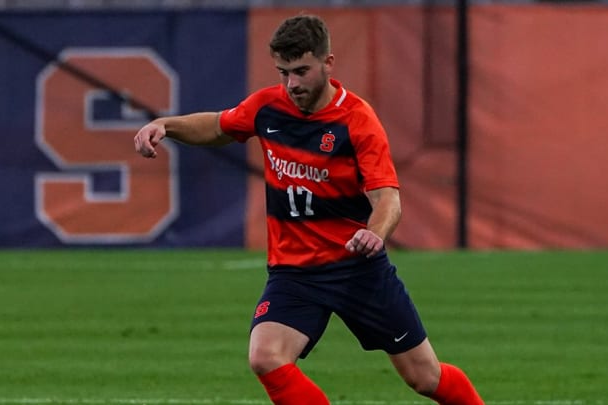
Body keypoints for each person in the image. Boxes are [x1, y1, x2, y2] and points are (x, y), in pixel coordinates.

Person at [134, 14, 483, 405]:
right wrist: (167, 125)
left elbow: (387, 198)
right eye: (284, 72)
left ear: (328, 63)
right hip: (294, 273)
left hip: (356, 270)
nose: (292, 84)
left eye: (301, 71)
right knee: (265, 356)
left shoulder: (357, 121)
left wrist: (375, 232)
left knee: (424, 377)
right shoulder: (268, 106)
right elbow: (218, 126)